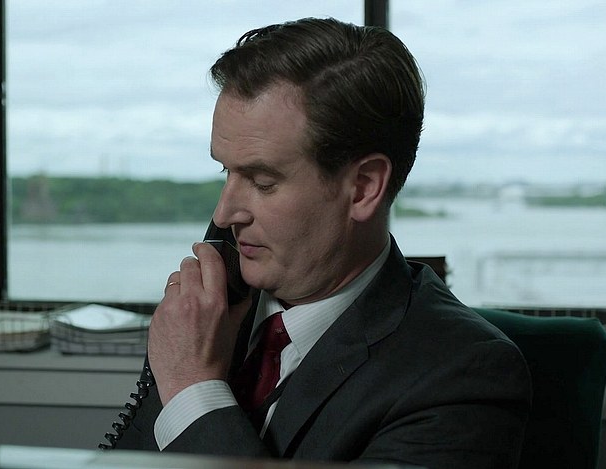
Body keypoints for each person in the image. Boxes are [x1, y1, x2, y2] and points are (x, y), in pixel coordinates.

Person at [108, 17, 531, 468]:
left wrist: (193, 390)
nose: (224, 214)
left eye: (263, 181)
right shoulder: (202, 317)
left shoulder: (461, 377)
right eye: (226, 172)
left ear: (363, 188)